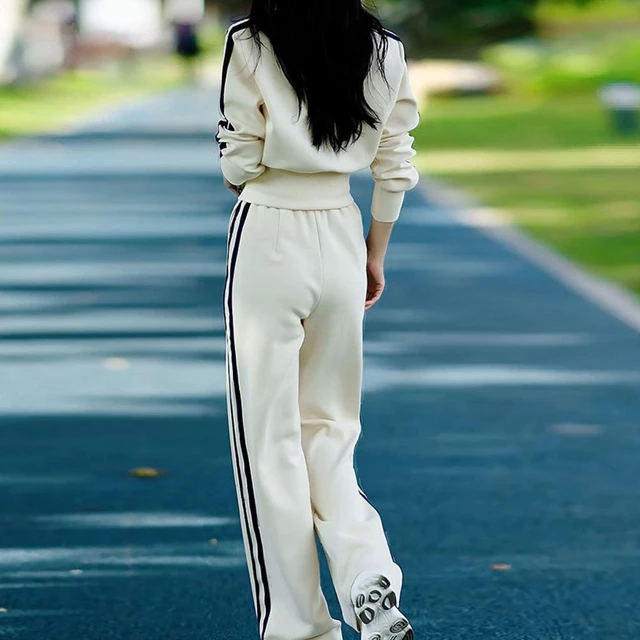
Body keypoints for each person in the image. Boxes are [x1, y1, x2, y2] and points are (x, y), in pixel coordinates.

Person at [216, 2, 420, 639]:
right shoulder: (384, 47)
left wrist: (253, 169)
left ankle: (301, 627)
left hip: (269, 229)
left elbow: (238, 158)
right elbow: (394, 158)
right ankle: (365, 566)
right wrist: (373, 254)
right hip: (341, 234)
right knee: (330, 427)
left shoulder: (249, 41)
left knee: (268, 442)